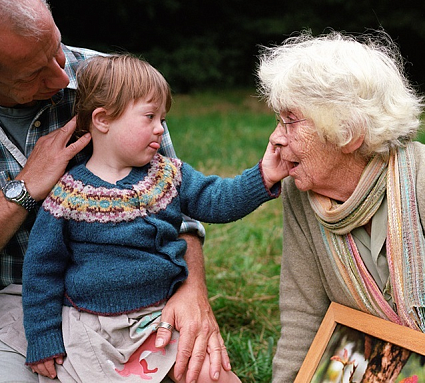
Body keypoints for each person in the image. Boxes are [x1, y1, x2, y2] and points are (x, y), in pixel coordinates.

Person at [0, 0, 232, 383]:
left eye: (55, 48)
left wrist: (192, 290)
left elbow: (181, 202)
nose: (60, 76)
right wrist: (26, 187)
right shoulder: (69, 197)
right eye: (33, 73)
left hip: (139, 301)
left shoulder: (112, 81)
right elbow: (42, 267)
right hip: (19, 303)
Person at [257, 30, 425, 383]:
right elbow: (303, 313)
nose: (276, 137)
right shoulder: (300, 195)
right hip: (388, 369)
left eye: (290, 121)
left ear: (348, 131)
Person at [21, 53, 288, 382]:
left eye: (162, 118)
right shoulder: (67, 194)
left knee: (215, 376)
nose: (160, 129)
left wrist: (264, 176)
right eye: (149, 116)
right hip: (91, 325)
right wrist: (42, 337)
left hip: (160, 316)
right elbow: (41, 270)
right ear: (103, 120)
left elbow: (218, 200)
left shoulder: (167, 174)